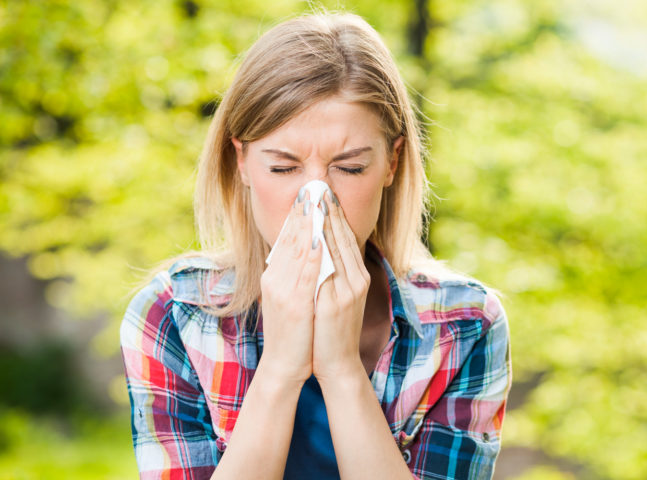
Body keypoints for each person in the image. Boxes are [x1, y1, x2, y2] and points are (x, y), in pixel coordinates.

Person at [120, 10, 512, 480]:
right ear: (241, 161)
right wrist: (282, 368)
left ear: (392, 162)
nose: (317, 198)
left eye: (349, 168)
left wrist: (343, 370)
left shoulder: (466, 324)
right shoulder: (173, 315)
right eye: (283, 168)